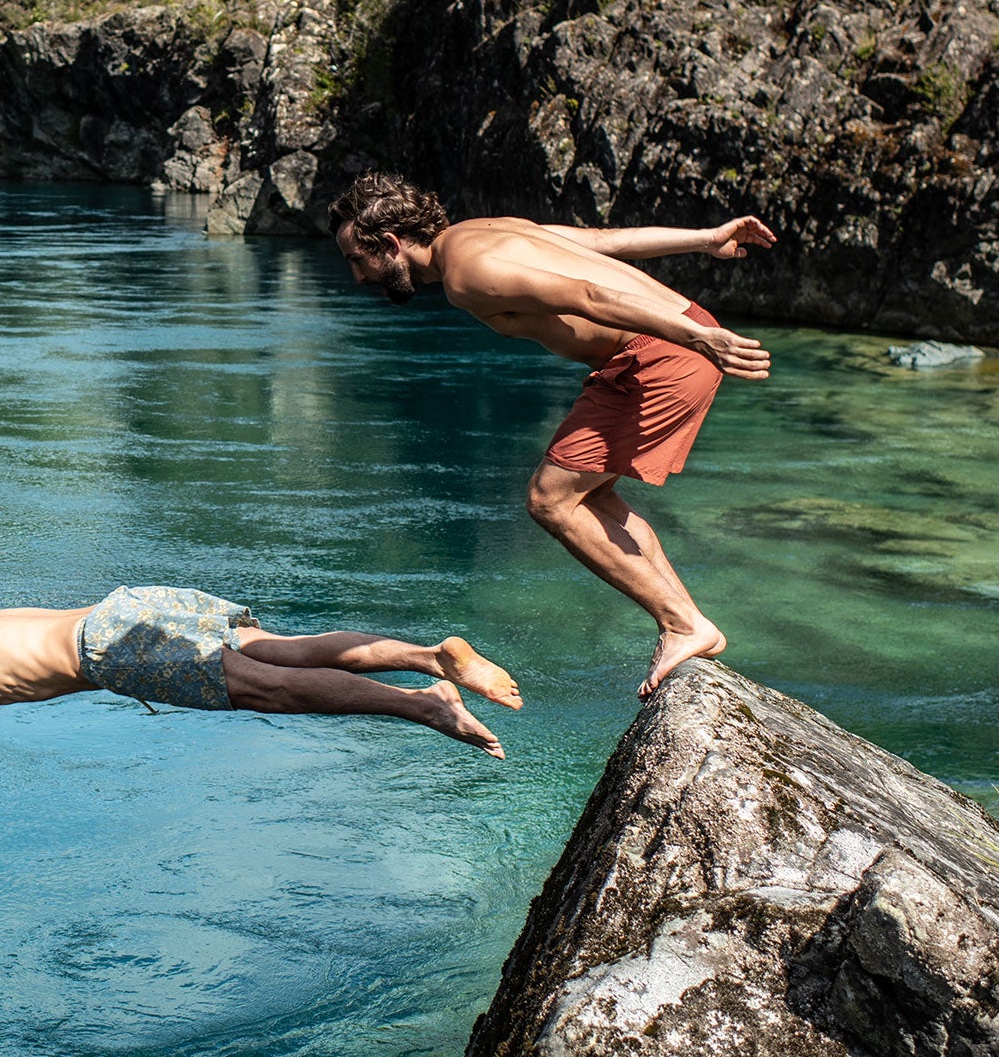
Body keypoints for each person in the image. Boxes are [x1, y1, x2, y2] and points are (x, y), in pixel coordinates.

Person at [328, 173, 776, 696]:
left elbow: (588, 294)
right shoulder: (482, 232)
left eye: (357, 260)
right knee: (594, 500)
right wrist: (704, 238)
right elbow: (606, 242)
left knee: (550, 500)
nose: (357, 277)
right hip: (670, 341)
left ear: (389, 244)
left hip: (660, 352)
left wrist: (700, 338)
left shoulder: (465, 275)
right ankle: (682, 624)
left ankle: (684, 624)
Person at [0, 585, 524, 808]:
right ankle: (431, 655)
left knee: (272, 693)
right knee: (285, 649)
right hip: (131, 605)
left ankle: (427, 706)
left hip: (113, 648)